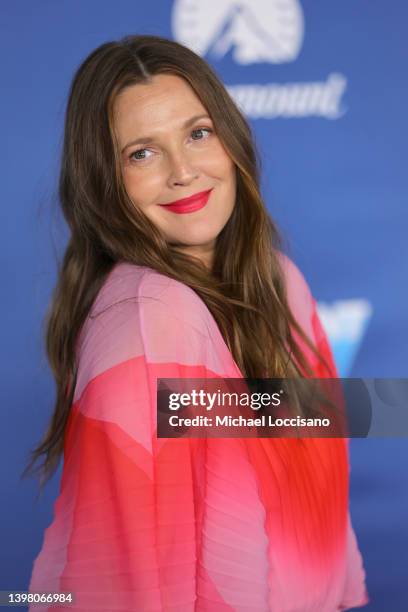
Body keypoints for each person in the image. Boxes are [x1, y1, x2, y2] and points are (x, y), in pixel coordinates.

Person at [24, 34, 369, 611]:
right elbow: (130, 582)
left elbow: (290, 418)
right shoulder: (151, 320)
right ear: (105, 183)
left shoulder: (278, 281)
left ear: (230, 139)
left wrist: (383, 407)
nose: (183, 172)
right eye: (142, 152)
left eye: (198, 133)